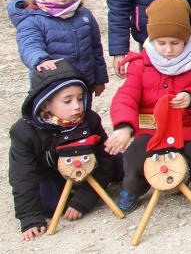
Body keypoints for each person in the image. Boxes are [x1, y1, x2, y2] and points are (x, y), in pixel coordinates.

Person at [104, 0, 191, 213]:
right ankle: (133, 189)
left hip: (188, 129)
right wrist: (125, 126)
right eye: (161, 43)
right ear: (152, 40)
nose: (168, 50)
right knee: (134, 160)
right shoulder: (140, 65)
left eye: (175, 43)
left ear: (186, 39)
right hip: (150, 129)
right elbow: (126, 96)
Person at [9, 63, 115, 241]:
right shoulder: (23, 132)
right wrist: (29, 217)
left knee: (117, 163)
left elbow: (105, 159)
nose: (77, 106)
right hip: (50, 172)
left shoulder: (90, 120)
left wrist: (84, 199)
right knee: (50, 206)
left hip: (88, 166)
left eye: (80, 98)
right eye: (67, 101)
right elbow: (22, 176)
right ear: (46, 104)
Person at [8, 0, 108, 94]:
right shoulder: (32, 20)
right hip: (51, 86)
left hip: (82, 84)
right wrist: (40, 60)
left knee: (82, 114)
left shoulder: (84, 15)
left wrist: (99, 79)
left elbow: (96, 49)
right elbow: (29, 45)